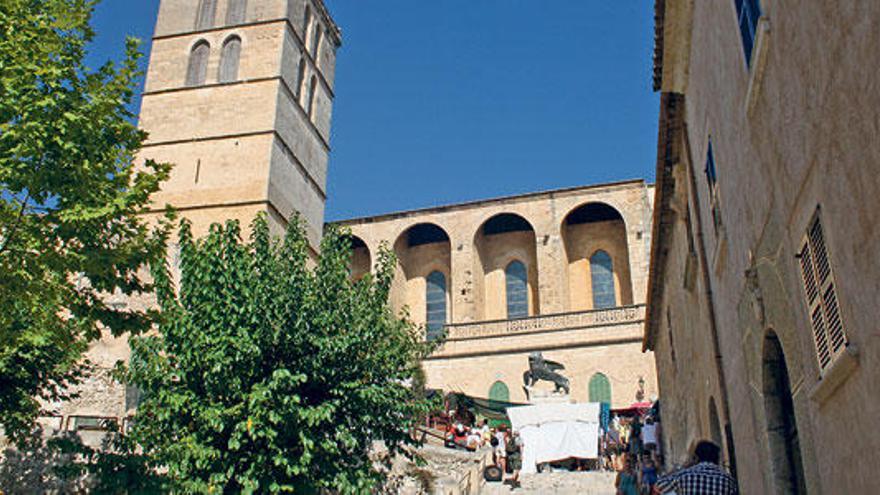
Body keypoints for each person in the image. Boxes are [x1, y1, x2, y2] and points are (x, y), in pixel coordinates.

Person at [654, 440, 737, 494]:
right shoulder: (727, 480)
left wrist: (681, 467)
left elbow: (659, 485)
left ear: (696, 458)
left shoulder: (685, 476)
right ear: (717, 459)